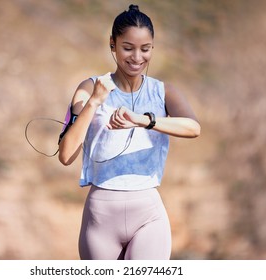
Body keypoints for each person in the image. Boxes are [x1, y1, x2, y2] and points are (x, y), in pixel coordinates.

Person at [58, 4, 200, 260]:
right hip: (101, 217)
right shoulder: (89, 87)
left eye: (145, 49)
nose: (137, 57)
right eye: (127, 48)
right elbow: (66, 154)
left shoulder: (163, 92)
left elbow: (193, 128)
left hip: (148, 215)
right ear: (112, 44)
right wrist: (94, 102)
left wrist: (143, 120)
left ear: (152, 47)